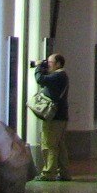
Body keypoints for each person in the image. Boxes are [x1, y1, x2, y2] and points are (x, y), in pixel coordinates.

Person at [33, 53, 71, 181]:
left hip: (54, 117)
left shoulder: (58, 75)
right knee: (60, 145)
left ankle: (48, 173)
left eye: (50, 63)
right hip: (61, 116)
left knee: (49, 144)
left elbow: (40, 80)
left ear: (58, 64)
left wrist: (38, 67)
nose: (47, 65)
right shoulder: (62, 76)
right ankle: (64, 173)